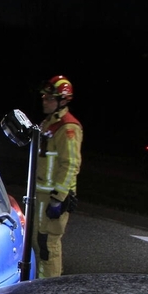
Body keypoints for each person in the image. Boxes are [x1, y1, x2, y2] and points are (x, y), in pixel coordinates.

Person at [34, 75, 83, 278]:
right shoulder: (49, 123)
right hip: (42, 195)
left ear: (62, 100)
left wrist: (58, 198)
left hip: (53, 198)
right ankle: (39, 285)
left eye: (49, 98)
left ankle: (50, 289)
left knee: (48, 245)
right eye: (44, 97)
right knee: (38, 243)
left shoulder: (68, 127)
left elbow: (70, 164)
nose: (44, 101)